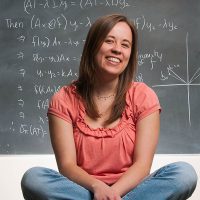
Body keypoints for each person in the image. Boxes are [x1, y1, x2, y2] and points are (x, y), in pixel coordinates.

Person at [21, 14, 197, 200]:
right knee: (34, 178)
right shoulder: (63, 99)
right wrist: (98, 188)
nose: (117, 50)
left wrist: (113, 194)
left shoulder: (143, 96)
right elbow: (67, 165)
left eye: (125, 45)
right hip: (84, 191)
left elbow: (143, 165)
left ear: (130, 54)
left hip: (132, 190)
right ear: (93, 46)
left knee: (184, 174)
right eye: (109, 41)